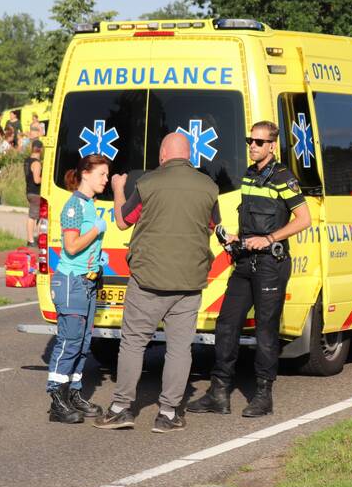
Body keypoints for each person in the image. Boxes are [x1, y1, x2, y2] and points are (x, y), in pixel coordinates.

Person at [97, 132, 220, 433]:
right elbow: (212, 225)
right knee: (179, 349)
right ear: (189, 155)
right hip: (189, 281)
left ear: (163, 155)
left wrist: (117, 189)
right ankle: (167, 413)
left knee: (134, 342)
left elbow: (124, 220)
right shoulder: (209, 186)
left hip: (148, 279)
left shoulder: (148, 183)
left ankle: (121, 408)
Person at [187, 121, 311, 418]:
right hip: (244, 261)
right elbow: (251, 221)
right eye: (250, 140)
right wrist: (236, 239)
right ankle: (219, 393)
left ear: (271, 145)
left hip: (271, 264)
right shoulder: (249, 176)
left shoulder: (283, 177)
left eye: (259, 141)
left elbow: (303, 219)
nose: (253, 146)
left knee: (266, 331)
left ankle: (263, 396)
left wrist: (268, 239)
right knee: (227, 324)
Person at [46, 155, 110, 423]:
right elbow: (71, 247)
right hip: (72, 281)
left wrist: (98, 260)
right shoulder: (74, 206)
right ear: (86, 173)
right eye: (102, 174)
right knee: (69, 342)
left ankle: (73, 393)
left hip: (87, 281)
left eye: (107, 175)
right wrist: (96, 231)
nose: (106, 180)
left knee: (83, 343)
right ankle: (56, 399)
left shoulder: (89, 205)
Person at [25, 140, 44, 246]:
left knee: (35, 216)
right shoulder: (36, 163)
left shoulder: (27, 161)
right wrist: (45, 179)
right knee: (34, 217)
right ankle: (31, 240)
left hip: (29, 191)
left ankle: (33, 238)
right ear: (40, 150)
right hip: (36, 192)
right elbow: (37, 180)